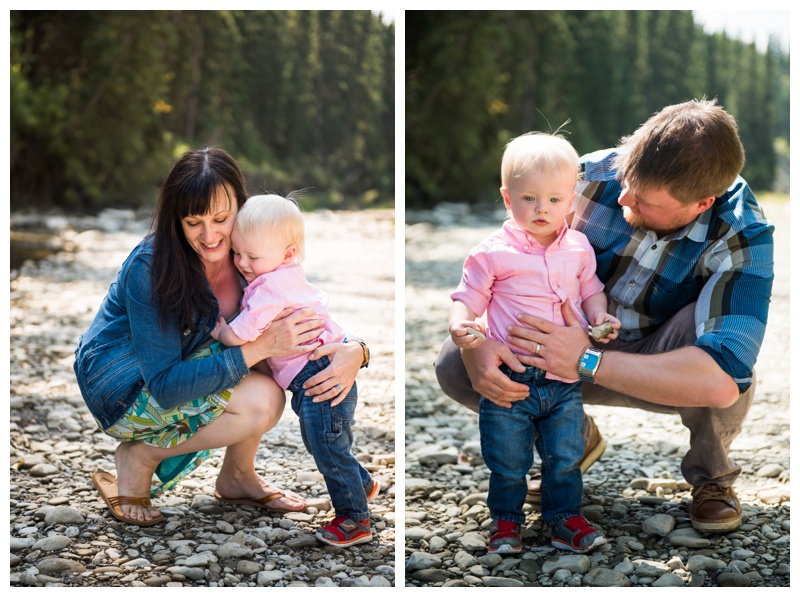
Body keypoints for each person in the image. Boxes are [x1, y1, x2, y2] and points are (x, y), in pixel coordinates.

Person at [435, 98, 774, 534]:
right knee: (453, 364)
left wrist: (585, 360)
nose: (625, 196)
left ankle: (713, 480)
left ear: (700, 203)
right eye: (627, 180)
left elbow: (723, 378)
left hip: (656, 359)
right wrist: (477, 340)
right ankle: (571, 436)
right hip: (564, 344)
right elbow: (502, 266)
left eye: (645, 199)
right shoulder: (581, 175)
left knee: (719, 351)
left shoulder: (743, 233)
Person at [74, 147, 367, 526]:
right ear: (176, 219)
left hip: (178, 367)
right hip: (122, 384)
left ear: (241, 210)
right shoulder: (153, 268)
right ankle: (141, 455)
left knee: (265, 353)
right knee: (264, 394)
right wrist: (259, 348)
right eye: (193, 222)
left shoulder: (248, 255)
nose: (210, 236)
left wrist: (356, 350)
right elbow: (163, 385)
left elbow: (300, 308)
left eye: (221, 218)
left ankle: (237, 477)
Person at [449, 132, 619, 554]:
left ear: (572, 201)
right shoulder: (491, 253)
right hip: (512, 377)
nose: (543, 209)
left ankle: (565, 519)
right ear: (508, 199)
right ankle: (505, 523)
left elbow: (590, 291)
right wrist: (462, 327)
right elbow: (467, 298)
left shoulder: (578, 247)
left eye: (555, 200)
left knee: (565, 457)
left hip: (563, 377)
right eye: (530, 198)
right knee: (507, 461)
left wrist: (599, 316)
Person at [210, 193, 377, 546]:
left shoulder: (270, 287)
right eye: (237, 252)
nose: (242, 262)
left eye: (252, 256)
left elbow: (243, 331)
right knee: (326, 444)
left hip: (319, 377)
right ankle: (362, 483)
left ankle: (354, 519)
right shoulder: (284, 276)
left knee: (328, 449)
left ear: (286, 253)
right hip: (315, 376)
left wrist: (220, 331)